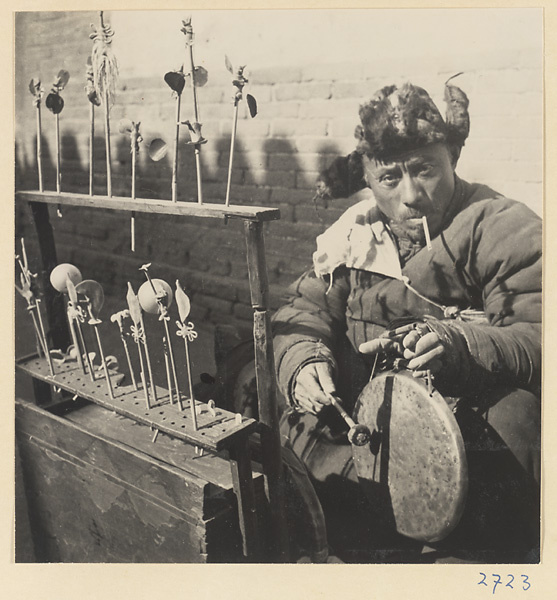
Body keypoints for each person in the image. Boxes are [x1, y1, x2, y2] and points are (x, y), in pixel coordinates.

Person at [271, 81, 541, 563]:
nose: (411, 195)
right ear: (368, 180)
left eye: (425, 170)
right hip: (369, 439)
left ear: (452, 157)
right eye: (390, 178)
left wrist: (458, 343)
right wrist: (303, 360)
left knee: (518, 415)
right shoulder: (352, 237)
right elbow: (303, 310)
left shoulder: (498, 225)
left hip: (469, 453)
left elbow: (540, 332)